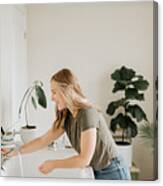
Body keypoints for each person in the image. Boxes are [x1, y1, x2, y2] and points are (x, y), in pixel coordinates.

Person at [1, 68, 131, 180]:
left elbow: (84, 160)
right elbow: (42, 140)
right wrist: (15, 151)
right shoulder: (67, 116)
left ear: (67, 91)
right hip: (98, 170)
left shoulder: (87, 113)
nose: (51, 97)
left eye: (54, 92)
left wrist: (53, 164)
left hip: (113, 171)